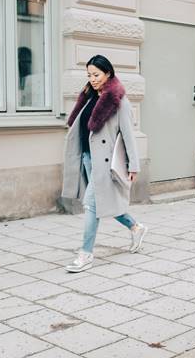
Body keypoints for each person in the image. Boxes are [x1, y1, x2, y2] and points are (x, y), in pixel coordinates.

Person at [62, 55, 147, 273]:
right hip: (88, 158)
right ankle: (136, 227)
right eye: (89, 75)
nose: (92, 79)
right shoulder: (89, 96)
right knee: (106, 202)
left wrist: (133, 165)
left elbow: (129, 135)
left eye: (96, 75)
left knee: (92, 204)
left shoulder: (118, 100)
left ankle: (85, 254)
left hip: (105, 162)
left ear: (108, 73)